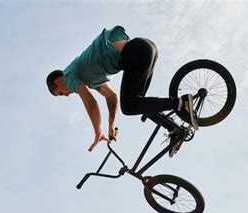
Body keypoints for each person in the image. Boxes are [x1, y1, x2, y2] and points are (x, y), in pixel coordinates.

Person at [46, 25, 197, 156]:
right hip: (146, 48)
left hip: (135, 53)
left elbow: (91, 104)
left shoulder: (68, 76)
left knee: (130, 106)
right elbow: (112, 98)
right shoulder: (88, 76)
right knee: (140, 104)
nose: (66, 95)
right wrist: (111, 126)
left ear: (58, 81)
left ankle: (181, 103)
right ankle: (174, 128)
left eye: (60, 93)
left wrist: (98, 133)